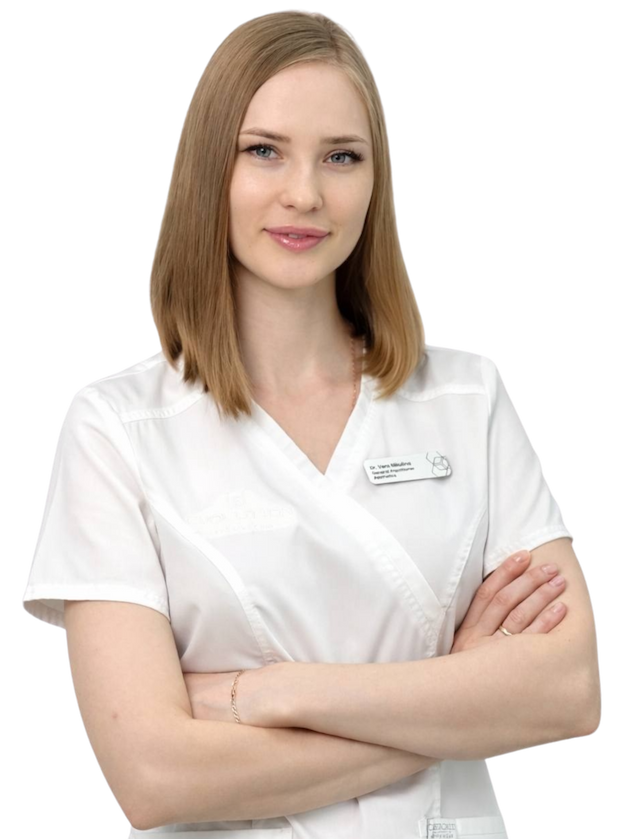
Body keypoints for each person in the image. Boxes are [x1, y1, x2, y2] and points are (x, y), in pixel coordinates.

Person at [21, 9, 600, 838]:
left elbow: (568, 691)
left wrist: (268, 693)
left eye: (341, 156)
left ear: (376, 180)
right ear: (209, 170)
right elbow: (154, 776)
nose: (305, 193)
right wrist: (457, 695)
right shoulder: (116, 428)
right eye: (264, 150)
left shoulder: (467, 397)